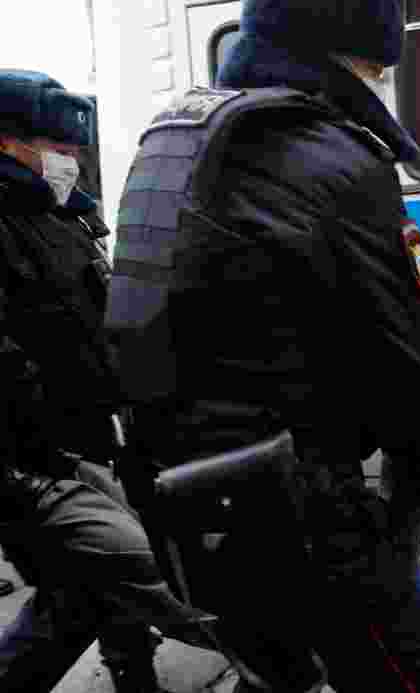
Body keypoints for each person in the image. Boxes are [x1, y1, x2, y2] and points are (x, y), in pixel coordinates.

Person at [104, 0, 420, 691]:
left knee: (278, 675)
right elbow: (410, 366)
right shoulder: (336, 159)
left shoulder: (175, 135)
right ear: (340, 56)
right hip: (302, 521)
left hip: (184, 508)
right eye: (376, 66)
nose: (381, 83)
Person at [0, 69, 210, 693]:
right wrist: (54, 454)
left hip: (91, 441)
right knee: (138, 573)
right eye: (58, 150)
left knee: (83, 594)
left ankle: (134, 674)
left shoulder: (66, 217)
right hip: (38, 462)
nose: (69, 162)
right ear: (9, 142)